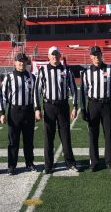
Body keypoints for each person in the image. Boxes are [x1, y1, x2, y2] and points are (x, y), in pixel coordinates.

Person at [34, 46, 78, 174]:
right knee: (49, 137)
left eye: (56, 54)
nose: (54, 57)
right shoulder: (43, 71)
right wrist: (37, 109)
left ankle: (70, 163)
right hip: (49, 106)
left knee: (65, 136)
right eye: (52, 55)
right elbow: (37, 91)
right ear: (48, 57)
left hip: (63, 106)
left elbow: (74, 90)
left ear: (60, 55)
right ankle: (48, 165)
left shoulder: (66, 70)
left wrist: (75, 107)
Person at [80, 46, 111, 172]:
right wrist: (83, 108)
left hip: (107, 105)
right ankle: (94, 162)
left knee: (108, 134)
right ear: (91, 57)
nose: (96, 57)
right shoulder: (86, 72)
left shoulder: (110, 69)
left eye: (98, 55)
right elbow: (83, 91)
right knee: (93, 135)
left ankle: (109, 162)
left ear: (101, 55)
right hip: (93, 105)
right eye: (94, 55)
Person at [0, 53, 37, 175]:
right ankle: (11, 165)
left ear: (27, 63)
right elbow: (3, 96)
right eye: (19, 61)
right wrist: (2, 112)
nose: (21, 63)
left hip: (28, 111)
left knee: (29, 140)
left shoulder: (32, 77)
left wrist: (37, 109)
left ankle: (30, 163)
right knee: (13, 141)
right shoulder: (9, 77)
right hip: (14, 111)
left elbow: (36, 95)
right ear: (15, 62)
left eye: (24, 61)